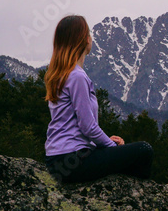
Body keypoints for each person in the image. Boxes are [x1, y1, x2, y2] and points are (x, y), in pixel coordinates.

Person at [43, 14, 153, 184]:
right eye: (89, 33)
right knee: (144, 150)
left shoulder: (60, 75)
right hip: (74, 160)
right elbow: (87, 126)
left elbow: (73, 127)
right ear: (84, 39)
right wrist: (111, 147)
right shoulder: (77, 77)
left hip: (57, 159)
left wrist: (105, 142)